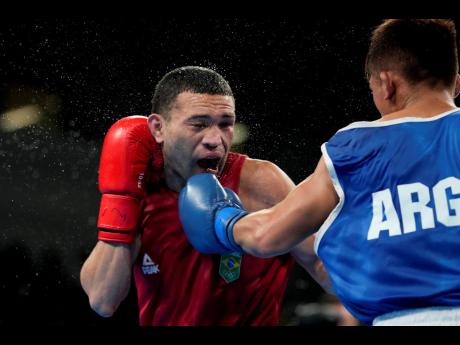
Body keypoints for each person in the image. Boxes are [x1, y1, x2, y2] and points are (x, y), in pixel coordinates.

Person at [179, 19, 460, 326]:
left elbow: (267, 234)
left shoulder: (357, 149)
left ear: (387, 84)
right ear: (456, 83)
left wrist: (223, 222)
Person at [80, 66, 333, 325]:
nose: (215, 139)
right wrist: (123, 202)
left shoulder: (260, 182)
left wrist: (375, 310)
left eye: (225, 124)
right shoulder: (143, 191)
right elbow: (103, 301)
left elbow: (322, 264)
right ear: (158, 128)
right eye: (198, 124)